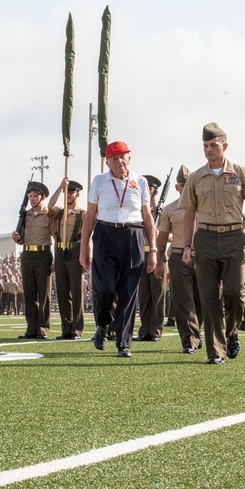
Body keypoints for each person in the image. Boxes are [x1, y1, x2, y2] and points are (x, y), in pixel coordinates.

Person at [180, 122, 245, 364]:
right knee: (209, 297)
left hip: (233, 237)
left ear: (224, 146)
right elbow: (189, 213)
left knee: (235, 293)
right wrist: (187, 246)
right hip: (205, 239)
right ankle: (215, 352)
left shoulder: (240, 172)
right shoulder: (196, 177)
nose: (208, 149)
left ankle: (232, 332)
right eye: (205, 146)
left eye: (213, 145)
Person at [80, 140, 157, 358]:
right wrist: (84, 249)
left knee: (128, 292)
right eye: (114, 158)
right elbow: (89, 216)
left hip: (133, 235)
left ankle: (124, 343)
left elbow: (148, 217)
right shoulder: (99, 181)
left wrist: (153, 250)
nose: (119, 162)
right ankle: (103, 324)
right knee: (104, 289)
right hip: (105, 234)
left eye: (123, 156)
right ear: (107, 162)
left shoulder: (140, 182)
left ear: (129, 158)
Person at [155, 165, 202, 353]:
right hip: (178, 256)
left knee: (201, 301)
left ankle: (196, 334)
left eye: (189, 184)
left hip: (203, 258)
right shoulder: (169, 209)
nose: (186, 187)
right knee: (183, 302)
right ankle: (188, 340)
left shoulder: (203, 206)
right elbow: (162, 238)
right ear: (177, 187)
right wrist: (159, 261)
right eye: (183, 184)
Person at [12, 180, 56, 339]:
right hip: (27, 254)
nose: (32, 199)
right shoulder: (26, 214)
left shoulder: (48, 214)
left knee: (43, 293)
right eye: (30, 196)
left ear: (42, 197)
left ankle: (43, 329)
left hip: (43, 254)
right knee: (29, 293)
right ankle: (31, 328)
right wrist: (16, 238)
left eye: (35, 196)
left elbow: (56, 237)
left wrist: (55, 259)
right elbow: (21, 238)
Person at [49, 177, 86, 340]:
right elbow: (49, 206)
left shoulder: (82, 214)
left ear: (78, 195)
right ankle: (66, 329)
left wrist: (86, 256)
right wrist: (60, 187)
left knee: (76, 292)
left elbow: (86, 237)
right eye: (67, 192)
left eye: (71, 192)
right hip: (60, 252)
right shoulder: (60, 212)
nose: (68, 195)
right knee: (63, 292)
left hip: (75, 251)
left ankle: (77, 329)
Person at [134, 174, 166, 342]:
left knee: (157, 294)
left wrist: (160, 236)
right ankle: (144, 329)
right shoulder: (137, 213)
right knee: (144, 295)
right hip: (141, 254)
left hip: (157, 254)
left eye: (150, 189)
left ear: (155, 192)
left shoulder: (163, 212)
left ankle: (156, 330)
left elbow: (174, 235)